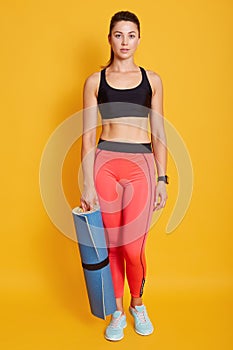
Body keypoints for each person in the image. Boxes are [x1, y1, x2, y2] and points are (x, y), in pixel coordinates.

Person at [80, 10, 168, 341]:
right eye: (119, 35)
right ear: (109, 38)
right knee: (112, 245)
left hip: (141, 165)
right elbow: (88, 137)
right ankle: (117, 311)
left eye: (131, 35)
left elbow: (158, 132)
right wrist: (88, 183)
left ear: (139, 39)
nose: (125, 41)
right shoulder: (94, 81)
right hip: (104, 164)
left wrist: (163, 178)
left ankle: (137, 304)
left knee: (133, 246)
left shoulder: (152, 80)